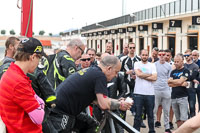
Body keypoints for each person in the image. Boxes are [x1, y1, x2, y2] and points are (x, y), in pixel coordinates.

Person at [47, 55, 133, 132]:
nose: (116, 76)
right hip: (59, 113)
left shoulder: (93, 71)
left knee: (91, 125)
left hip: (61, 109)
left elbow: (97, 100)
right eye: (116, 72)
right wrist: (120, 104)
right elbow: (103, 104)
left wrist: (117, 101)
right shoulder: (100, 76)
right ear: (109, 68)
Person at [0, 37, 45, 133]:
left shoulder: (13, 73)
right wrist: (40, 105)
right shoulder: (18, 82)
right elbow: (39, 118)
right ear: (33, 57)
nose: (38, 63)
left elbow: (39, 101)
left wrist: (39, 103)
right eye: (39, 58)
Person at [133, 49, 157, 133]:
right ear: (140, 55)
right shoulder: (136, 63)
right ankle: (135, 131)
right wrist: (149, 75)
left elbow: (155, 78)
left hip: (150, 94)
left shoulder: (152, 65)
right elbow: (138, 74)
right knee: (138, 115)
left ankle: (151, 131)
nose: (144, 56)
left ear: (148, 55)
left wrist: (142, 75)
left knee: (150, 115)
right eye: (143, 55)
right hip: (138, 93)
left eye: (146, 55)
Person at [168, 53, 190, 128]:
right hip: (174, 97)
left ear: (182, 61)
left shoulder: (186, 71)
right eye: (175, 61)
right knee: (178, 119)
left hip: (182, 97)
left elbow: (179, 81)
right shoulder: (173, 72)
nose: (176, 63)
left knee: (184, 118)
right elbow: (169, 83)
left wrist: (176, 81)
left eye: (178, 61)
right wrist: (180, 82)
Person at [153, 50, 172, 133]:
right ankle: (152, 126)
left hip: (166, 89)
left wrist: (169, 90)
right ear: (158, 55)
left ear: (165, 56)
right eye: (160, 54)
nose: (161, 56)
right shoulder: (154, 65)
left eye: (163, 54)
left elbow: (170, 78)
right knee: (154, 109)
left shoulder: (169, 66)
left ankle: (167, 127)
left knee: (166, 110)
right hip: (156, 89)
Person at [184, 49, 199, 118]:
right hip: (183, 89)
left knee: (192, 106)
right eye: (185, 56)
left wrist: (188, 77)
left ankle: (193, 120)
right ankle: (186, 120)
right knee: (184, 106)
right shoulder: (183, 65)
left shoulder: (195, 66)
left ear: (191, 56)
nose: (186, 57)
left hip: (192, 89)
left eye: (187, 55)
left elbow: (193, 77)